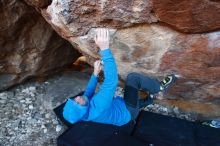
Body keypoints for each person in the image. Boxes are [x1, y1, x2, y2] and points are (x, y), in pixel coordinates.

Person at [63, 28, 177, 126]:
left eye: (73, 100)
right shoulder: (98, 107)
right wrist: (104, 49)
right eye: (78, 103)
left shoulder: (84, 106)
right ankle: (159, 87)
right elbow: (111, 82)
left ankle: (150, 99)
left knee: (134, 102)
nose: (78, 99)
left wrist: (95, 73)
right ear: (83, 110)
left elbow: (88, 92)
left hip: (121, 114)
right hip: (128, 111)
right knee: (133, 78)